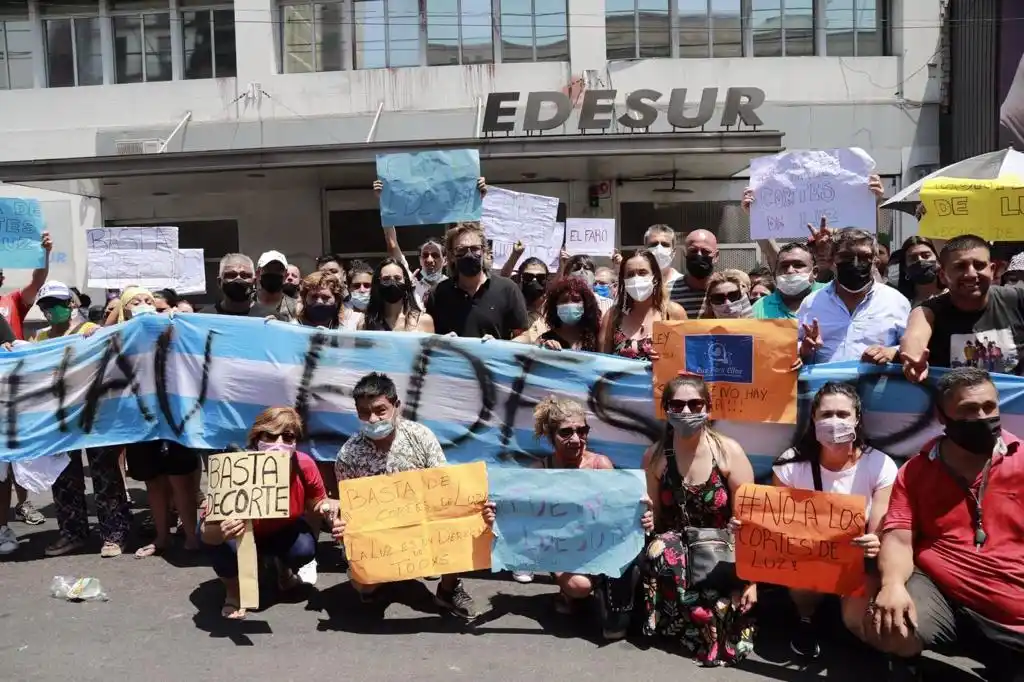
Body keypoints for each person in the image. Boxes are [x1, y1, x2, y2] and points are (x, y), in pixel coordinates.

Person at [871, 368, 1024, 681]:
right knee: (891, 624)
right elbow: (899, 539)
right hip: (941, 591)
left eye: (989, 407)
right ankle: (909, 665)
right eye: (968, 410)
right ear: (943, 416)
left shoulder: (1021, 460)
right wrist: (893, 585)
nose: (982, 417)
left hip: (1012, 604)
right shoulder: (916, 470)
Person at [335, 372, 492, 619]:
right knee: (365, 586)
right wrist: (339, 523)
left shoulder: (420, 437)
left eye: (380, 410)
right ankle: (384, 578)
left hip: (423, 525)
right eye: (364, 413)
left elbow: (446, 488)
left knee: (464, 525)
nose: (373, 419)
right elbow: (349, 510)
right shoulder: (349, 454)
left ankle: (449, 589)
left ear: (397, 405)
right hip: (378, 534)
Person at [768, 382, 896, 658]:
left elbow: (880, 525)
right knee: (801, 582)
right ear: (813, 418)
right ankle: (806, 618)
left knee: (855, 622)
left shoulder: (880, 465)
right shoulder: (788, 465)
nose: (834, 421)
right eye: (826, 414)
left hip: (859, 560)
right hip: (810, 554)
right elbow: (780, 521)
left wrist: (874, 540)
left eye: (842, 414)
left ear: (857, 419)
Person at [642, 373, 757, 666]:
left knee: (723, 608)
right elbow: (654, 515)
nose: (686, 412)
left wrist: (752, 581)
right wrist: (646, 521)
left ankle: (715, 621)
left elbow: (753, 520)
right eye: (677, 405)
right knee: (662, 548)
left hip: (723, 546)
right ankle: (692, 622)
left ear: (708, 407)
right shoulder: (655, 456)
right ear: (666, 408)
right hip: (678, 549)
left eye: (695, 404)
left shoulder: (728, 451)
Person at [508, 396, 651, 628]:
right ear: (551, 436)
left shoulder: (600, 465)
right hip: (561, 549)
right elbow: (521, 518)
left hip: (599, 544)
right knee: (579, 587)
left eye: (582, 431)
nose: (576, 439)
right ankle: (569, 593)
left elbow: (622, 510)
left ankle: (607, 594)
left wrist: (645, 512)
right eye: (566, 433)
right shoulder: (540, 472)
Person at [200, 407, 341, 620]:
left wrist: (327, 508)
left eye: (288, 437)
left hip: (281, 531)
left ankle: (283, 571)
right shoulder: (235, 468)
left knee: (304, 548)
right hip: (241, 535)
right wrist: (220, 532)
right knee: (222, 546)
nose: (279, 442)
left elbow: (317, 501)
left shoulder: (303, 464)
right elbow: (204, 532)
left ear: (296, 442)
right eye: (270, 435)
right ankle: (234, 592)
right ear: (257, 438)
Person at [901, 234, 1024, 382]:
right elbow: (915, 336)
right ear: (943, 275)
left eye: (979, 265)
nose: (971, 274)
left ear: (992, 270)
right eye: (960, 266)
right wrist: (913, 360)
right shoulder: (927, 311)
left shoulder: (1016, 299)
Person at [0, 231, 53, 528]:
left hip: (16, 388)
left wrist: (44, 253)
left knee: (19, 449)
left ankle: (24, 503)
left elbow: (38, 282)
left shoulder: (13, 301)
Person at [798, 228, 910, 365]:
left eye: (864, 256)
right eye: (846, 256)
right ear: (833, 259)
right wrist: (804, 348)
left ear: (875, 261)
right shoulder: (811, 303)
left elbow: (912, 346)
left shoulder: (895, 301)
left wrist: (892, 352)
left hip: (877, 385)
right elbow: (793, 345)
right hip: (823, 385)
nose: (855, 263)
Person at [426, 222, 529, 339]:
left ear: (484, 252)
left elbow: (524, 336)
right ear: (451, 256)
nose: (469, 255)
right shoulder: (438, 293)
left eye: (475, 249)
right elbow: (426, 337)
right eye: (461, 250)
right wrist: (441, 343)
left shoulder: (507, 289)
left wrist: (500, 346)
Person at [599, 250, 686, 361]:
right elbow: (602, 361)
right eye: (630, 274)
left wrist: (667, 358)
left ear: (655, 278)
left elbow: (687, 356)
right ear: (623, 280)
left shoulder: (673, 313)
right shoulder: (613, 316)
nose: (636, 278)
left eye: (642, 272)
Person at [359, 257, 435, 333]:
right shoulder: (366, 322)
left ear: (406, 282)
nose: (392, 283)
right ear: (378, 284)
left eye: (397, 278)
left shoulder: (424, 321)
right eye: (386, 279)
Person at [752, 242, 826, 320]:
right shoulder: (760, 307)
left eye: (798, 265)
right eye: (784, 266)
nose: (790, 271)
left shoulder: (833, 295)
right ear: (774, 274)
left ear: (815, 272)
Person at [528, 276, 602, 352]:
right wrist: (544, 349)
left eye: (576, 300)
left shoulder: (595, 338)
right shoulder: (545, 339)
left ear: (586, 305)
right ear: (555, 307)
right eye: (564, 301)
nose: (570, 304)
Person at [200, 253, 269, 317]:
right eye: (231, 275)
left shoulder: (269, 318)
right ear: (219, 282)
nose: (238, 279)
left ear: (254, 282)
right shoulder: (204, 317)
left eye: (244, 275)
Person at [896, 236, 943, 306]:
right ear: (905, 268)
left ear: (938, 262)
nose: (920, 260)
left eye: (926, 256)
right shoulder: (899, 303)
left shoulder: (954, 297)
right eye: (913, 258)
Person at [255, 251, 298, 322]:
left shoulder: (295, 308)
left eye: (279, 270)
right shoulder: (245, 304)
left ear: (285, 276)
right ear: (258, 274)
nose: (273, 273)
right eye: (268, 269)